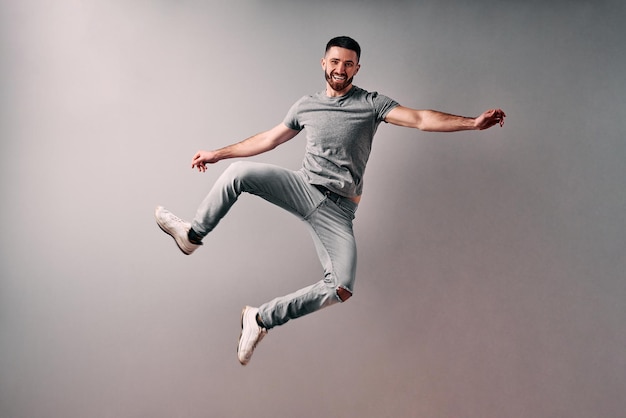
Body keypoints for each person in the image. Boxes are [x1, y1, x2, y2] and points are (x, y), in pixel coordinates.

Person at [155, 36, 506, 366]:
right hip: (303, 188)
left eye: (349, 64)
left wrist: (472, 124)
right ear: (323, 62)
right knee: (238, 173)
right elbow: (270, 139)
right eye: (335, 61)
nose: (341, 68)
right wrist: (217, 153)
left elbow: (420, 119)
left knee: (341, 286)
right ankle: (193, 235)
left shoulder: (371, 104)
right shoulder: (306, 105)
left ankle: (260, 318)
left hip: (338, 211)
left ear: (356, 69)